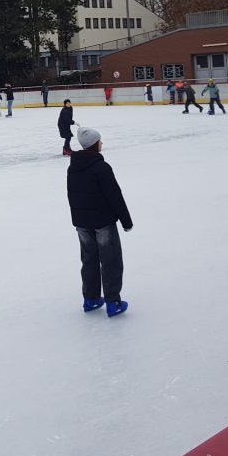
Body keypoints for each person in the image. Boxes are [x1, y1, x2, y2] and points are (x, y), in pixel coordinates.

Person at [67, 126, 133, 317]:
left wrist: (77, 219)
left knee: (89, 260)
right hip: (103, 222)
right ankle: (113, 302)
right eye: (100, 141)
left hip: (82, 223)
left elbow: (72, 195)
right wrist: (126, 221)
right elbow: (115, 196)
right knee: (111, 261)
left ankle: (91, 298)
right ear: (94, 144)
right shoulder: (101, 167)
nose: (102, 143)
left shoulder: (73, 166)